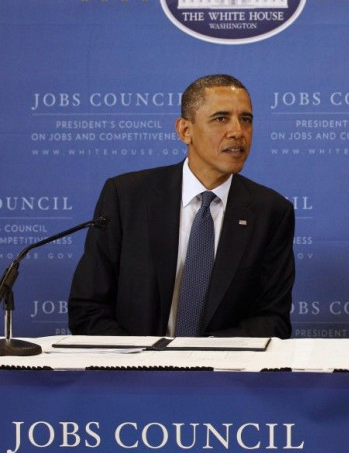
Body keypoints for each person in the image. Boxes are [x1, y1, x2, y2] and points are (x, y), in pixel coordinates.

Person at [69, 74, 295, 338]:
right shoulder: (126, 196)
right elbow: (87, 308)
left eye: (246, 119)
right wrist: (140, 360)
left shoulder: (271, 212)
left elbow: (273, 320)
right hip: (133, 370)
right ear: (185, 131)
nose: (237, 131)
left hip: (222, 372)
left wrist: (204, 354)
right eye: (221, 118)